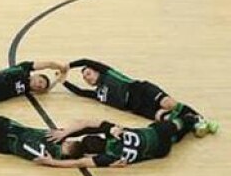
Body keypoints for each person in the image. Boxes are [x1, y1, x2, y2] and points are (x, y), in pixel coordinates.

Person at [63, 58, 219, 137]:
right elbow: (80, 92)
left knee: (169, 104)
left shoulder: (108, 74)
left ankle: (202, 120)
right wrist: (63, 82)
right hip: (135, 107)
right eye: (85, 78)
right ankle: (193, 123)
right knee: (164, 117)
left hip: (140, 90)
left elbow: (86, 61)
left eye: (88, 73)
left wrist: (68, 66)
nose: (87, 78)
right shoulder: (97, 94)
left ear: (97, 71)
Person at [33, 113, 200, 168]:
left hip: (159, 152)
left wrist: (52, 162)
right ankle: (190, 120)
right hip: (157, 133)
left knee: (173, 139)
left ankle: (187, 129)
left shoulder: (109, 157)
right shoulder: (114, 133)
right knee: (174, 125)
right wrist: (66, 132)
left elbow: (79, 163)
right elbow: (87, 123)